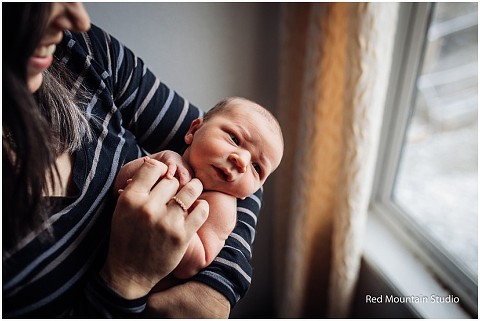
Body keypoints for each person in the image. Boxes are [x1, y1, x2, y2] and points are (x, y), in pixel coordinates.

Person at [3, 3, 265, 318]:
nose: (79, 19)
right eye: (33, 5)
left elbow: (244, 186)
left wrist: (214, 289)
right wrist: (129, 276)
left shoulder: (79, 51)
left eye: (257, 167)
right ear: (192, 131)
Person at [114, 97, 284, 280]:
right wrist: (162, 157)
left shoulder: (221, 207)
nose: (242, 161)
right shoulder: (170, 161)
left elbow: (195, 263)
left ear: (252, 191)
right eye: (235, 139)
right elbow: (118, 183)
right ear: (194, 130)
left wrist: (172, 229)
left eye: (257, 167)